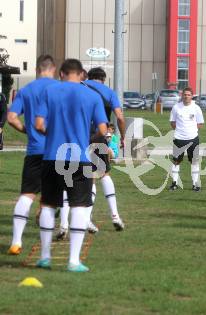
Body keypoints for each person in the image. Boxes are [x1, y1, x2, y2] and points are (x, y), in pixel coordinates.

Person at [34, 58, 108, 272]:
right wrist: (87, 139)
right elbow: (103, 130)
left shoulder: (50, 91)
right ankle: (74, 261)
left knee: (48, 204)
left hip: (51, 156)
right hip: (79, 158)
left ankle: (45, 257)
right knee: (79, 206)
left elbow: (39, 124)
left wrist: (51, 135)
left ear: (62, 74)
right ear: (82, 74)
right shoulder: (93, 95)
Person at [56, 67, 126, 240]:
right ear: (103, 79)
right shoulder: (109, 92)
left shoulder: (78, 87)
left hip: (75, 136)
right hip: (97, 136)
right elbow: (120, 116)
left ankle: (65, 224)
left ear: (87, 77)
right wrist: (123, 137)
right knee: (102, 175)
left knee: (70, 178)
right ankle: (114, 216)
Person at [6, 55, 58, 255]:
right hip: (55, 152)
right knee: (48, 202)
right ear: (53, 69)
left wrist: (26, 130)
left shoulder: (26, 90)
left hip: (34, 151)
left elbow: (11, 118)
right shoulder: (59, 89)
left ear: (37, 69)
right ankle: (45, 250)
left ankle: (16, 241)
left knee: (26, 195)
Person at [169, 87, 204, 191]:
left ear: (192, 96)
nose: (186, 96)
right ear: (182, 95)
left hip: (193, 138)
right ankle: (174, 183)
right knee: (176, 161)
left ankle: (195, 184)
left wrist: (191, 131)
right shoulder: (176, 107)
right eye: (185, 94)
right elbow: (172, 122)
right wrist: (180, 131)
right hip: (179, 138)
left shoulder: (196, 108)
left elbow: (200, 123)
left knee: (194, 161)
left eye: (188, 95)